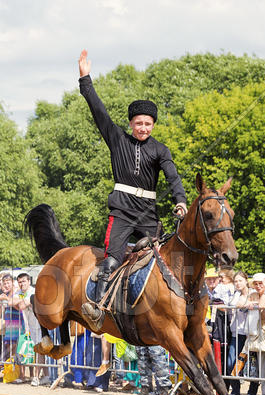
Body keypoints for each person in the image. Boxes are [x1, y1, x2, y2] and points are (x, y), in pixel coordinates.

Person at [77, 49, 188, 332]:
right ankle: (98, 307)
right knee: (112, 258)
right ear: (131, 123)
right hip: (122, 211)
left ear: (153, 125)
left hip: (148, 214)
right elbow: (98, 111)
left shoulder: (160, 150)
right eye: (138, 123)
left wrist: (181, 202)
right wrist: (85, 79)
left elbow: (173, 177)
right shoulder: (117, 139)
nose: (143, 127)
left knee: (162, 260)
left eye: (147, 124)